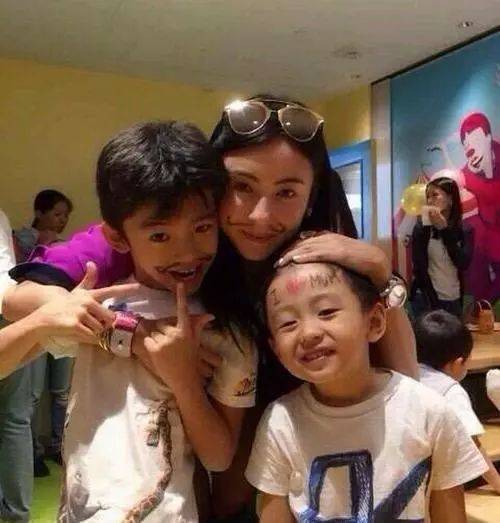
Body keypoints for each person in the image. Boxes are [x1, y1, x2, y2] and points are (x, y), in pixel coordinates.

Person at [3, 96, 417, 520]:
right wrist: (139, 336)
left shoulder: (319, 260)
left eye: (287, 192)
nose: (260, 215)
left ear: (312, 197)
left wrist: (379, 272)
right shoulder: (156, 235)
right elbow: (20, 299)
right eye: (242, 187)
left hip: (314, 473)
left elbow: (405, 388)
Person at [10, 121, 258, 522]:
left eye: (202, 227)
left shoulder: (223, 329)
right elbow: (14, 314)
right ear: (117, 238)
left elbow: (218, 457)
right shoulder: (101, 303)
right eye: (160, 236)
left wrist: (182, 379)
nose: (187, 252)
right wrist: (48, 321)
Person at [245, 251, 487, 521]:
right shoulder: (280, 421)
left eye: (326, 312)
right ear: (276, 350)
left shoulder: (430, 412)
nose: (309, 332)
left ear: (374, 322)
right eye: (288, 323)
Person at [13, 189, 74, 476]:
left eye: (65, 215)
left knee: (61, 390)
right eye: (57, 213)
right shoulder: (21, 238)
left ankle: (60, 446)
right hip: (34, 322)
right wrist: (39, 244)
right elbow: (14, 276)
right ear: (40, 212)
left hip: (63, 321)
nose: (62, 220)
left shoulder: (67, 245)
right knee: (32, 395)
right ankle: (33, 451)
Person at [417, 310, 500, 494]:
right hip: (438, 479)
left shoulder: (406, 376)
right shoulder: (451, 391)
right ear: (457, 363)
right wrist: (498, 483)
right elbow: (473, 444)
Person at [0, 208, 34, 522]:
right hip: (10, 308)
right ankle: (16, 516)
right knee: (15, 419)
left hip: (10, 308)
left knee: (15, 420)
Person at [410, 177, 473, 318]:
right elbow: (419, 268)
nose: (430, 201)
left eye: (435, 195)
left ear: (450, 199)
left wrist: (444, 230)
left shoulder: (465, 230)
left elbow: (463, 263)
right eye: (427, 197)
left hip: (453, 298)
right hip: (426, 298)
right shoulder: (421, 229)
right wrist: (433, 302)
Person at [459, 112, 500, 303]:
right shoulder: (465, 178)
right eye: (465, 144)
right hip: (484, 240)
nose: (469, 148)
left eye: (474, 139)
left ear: (488, 137)